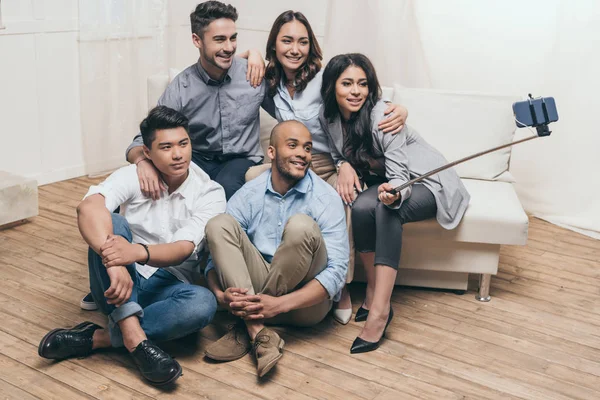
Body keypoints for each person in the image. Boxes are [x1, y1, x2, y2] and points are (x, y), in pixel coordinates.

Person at [38, 106, 226, 385]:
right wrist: (114, 261)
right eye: (166, 147)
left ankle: (102, 337)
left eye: (183, 144)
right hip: (116, 282)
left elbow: (184, 248)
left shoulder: (210, 192)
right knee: (113, 223)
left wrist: (136, 253)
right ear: (147, 153)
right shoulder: (133, 174)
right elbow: (88, 208)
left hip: (167, 286)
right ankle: (137, 339)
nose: (178, 154)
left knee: (203, 304)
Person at [243, 10, 409, 324]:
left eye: (303, 42)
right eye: (287, 41)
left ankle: (339, 287)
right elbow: (226, 64)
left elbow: (365, 98)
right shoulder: (270, 82)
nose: (295, 49)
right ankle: (265, 268)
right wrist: (249, 54)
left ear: (311, 46)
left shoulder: (323, 78)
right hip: (291, 160)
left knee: (343, 198)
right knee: (253, 178)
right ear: (274, 46)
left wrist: (401, 109)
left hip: (331, 160)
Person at [320, 54, 470, 353]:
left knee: (386, 209)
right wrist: (343, 166)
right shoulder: (328, 117)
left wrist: (395, 193)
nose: (355, 91)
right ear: (332, 87)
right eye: (346, 83)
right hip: (388, 182)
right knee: (361, 207)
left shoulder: (383, 116)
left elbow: (400, 174)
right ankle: (374, 290)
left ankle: (380, 312)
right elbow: (340, 153)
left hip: (425, 181)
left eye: (362, 84)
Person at [202, 120, 349, 377]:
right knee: (218, 224)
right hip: (256, 294)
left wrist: (278, 305)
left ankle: (247, 323)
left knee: (302, 226)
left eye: (307, 148)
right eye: (292, 145)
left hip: (304, 307)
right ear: (271, 152)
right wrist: (219, 295)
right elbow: (216, 260)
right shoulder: (249, 194)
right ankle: (257, 329)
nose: (302, 154)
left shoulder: (326, 197)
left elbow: (336, 272)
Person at [125, 1, 272, 202]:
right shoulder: (182, 88)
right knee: (132, 187)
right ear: (197, 40)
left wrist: (254, 53)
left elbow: (291, 108)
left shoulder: (252, 74)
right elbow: (145, 138)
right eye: (219, 39)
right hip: (197, 159)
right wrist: (142, 162)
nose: (229, 47)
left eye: (233, 38)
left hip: (240, 159)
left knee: (225, 187)